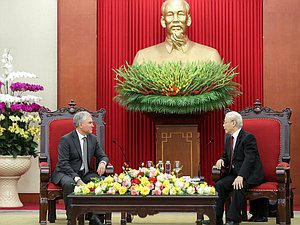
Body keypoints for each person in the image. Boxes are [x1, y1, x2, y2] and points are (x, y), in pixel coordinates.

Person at [51, 111, 109, 225]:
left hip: (85, 173)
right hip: (65, 173)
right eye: (90, 122)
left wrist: (102, 163)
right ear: (80, 124)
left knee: (102, 181)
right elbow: (63, 163)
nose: (93, 125)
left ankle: (95, 216)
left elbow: (102, 156)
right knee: (69, 184)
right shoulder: (66, 140)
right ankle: (71, 218)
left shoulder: (93, 139)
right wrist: (77, 179)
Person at [214, 111, 265, 225]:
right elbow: (227, 156)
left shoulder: (248, 137)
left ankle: (233, 219)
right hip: (236, 173)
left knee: (238, 186)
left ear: (233, 123)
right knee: (220, 185)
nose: (223, 125)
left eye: (225, 122)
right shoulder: (229, 139)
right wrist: (221, 159)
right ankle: (216, 219)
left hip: (251, 174)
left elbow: (250, 159)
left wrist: (241, 176)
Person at [133, 0, 221, 65]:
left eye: (181, 14)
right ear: (163, 21)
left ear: (188, 20)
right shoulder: (143, 57)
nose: (175, 20)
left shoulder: (210, 56)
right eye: (170, 14)